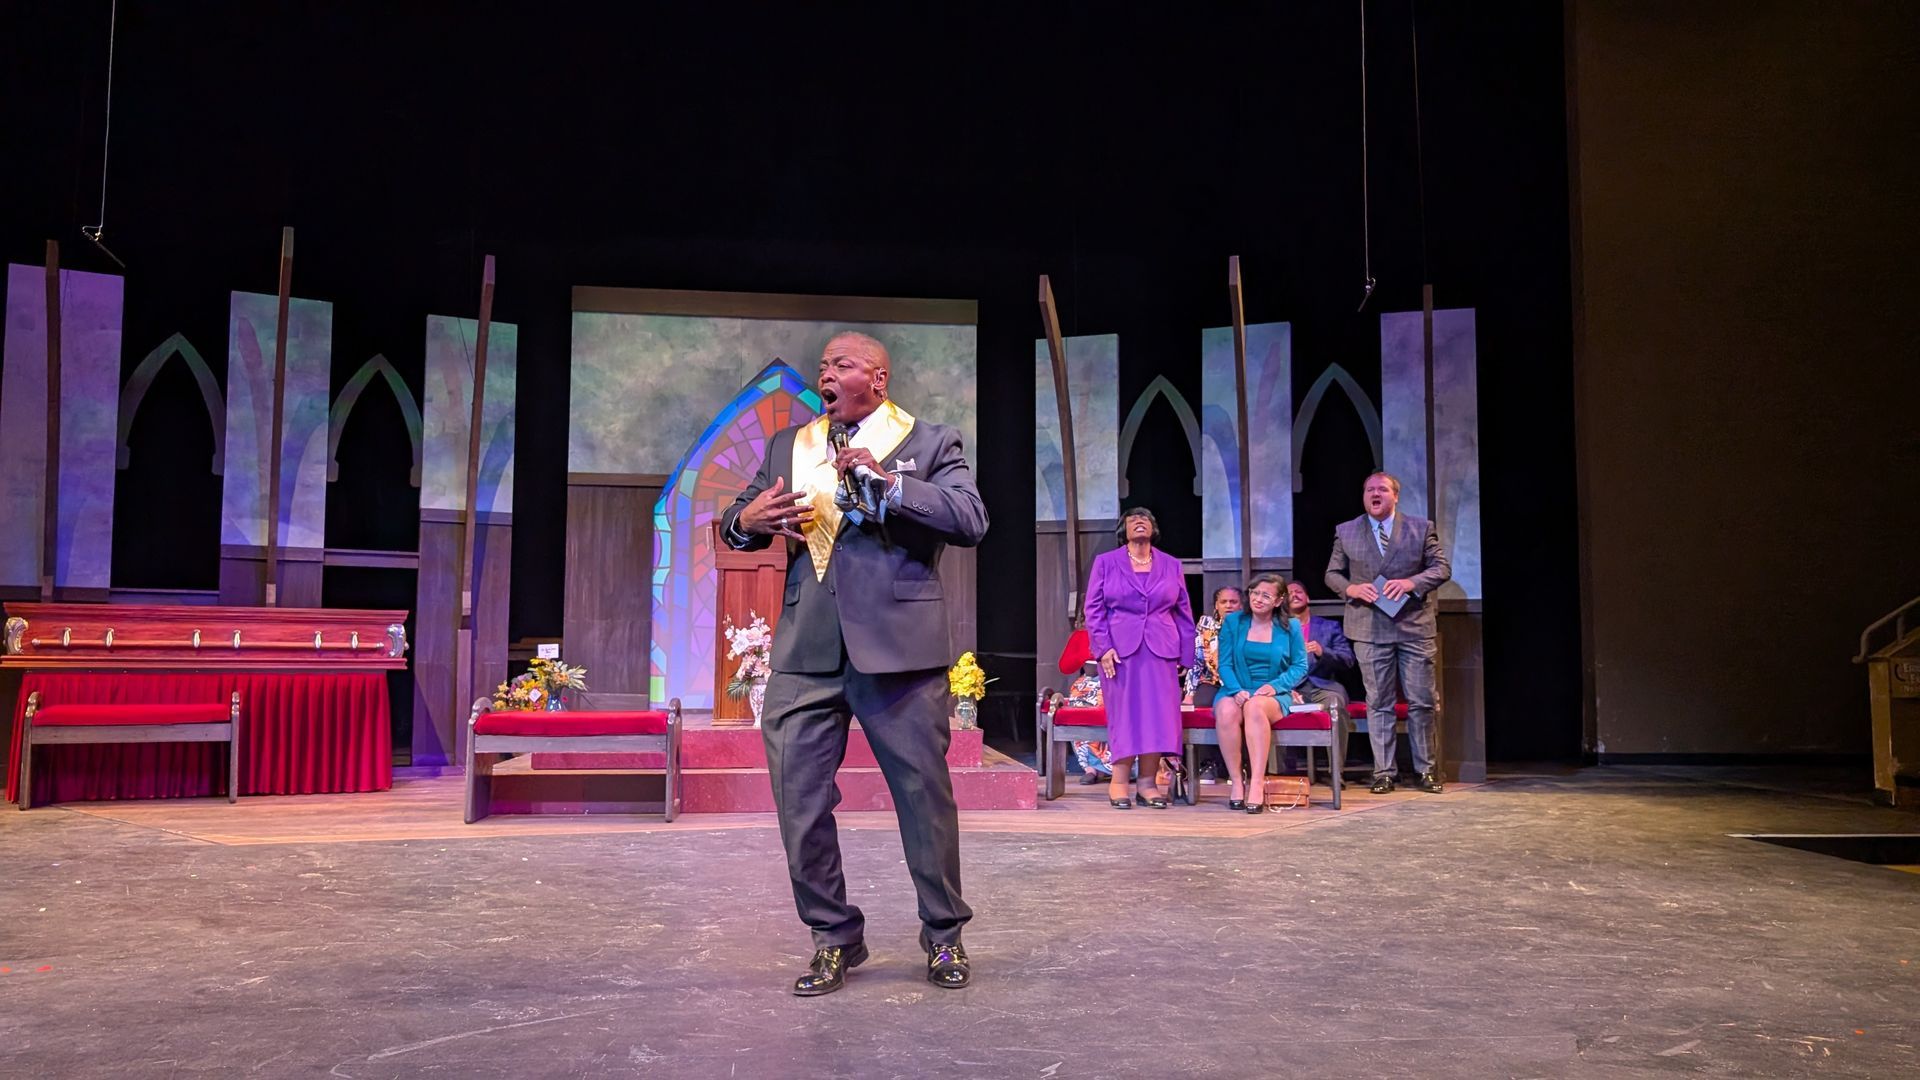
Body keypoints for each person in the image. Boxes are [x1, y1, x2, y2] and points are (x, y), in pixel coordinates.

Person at [720, 331, 987, 996]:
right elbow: (738, 519)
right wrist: (745, 520)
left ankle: (944, 936)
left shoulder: (929, 441)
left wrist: (892, 486)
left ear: (879, 377)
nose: (826, 374)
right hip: (806, 649)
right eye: (823, 367)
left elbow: (970, 517)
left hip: (899, 652)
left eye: (840, 364)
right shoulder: (792, 445)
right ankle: (834, 936)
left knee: (922, 801)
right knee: (799, 803)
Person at [1325, 470, 1451, 795]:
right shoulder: (1347, 530)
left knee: (1422, 701)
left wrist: (1412, 583)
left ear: (1396, 496)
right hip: (1368, 626)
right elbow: (1332, 574)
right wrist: (1352, 589)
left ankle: (1427, 770)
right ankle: (1384, 772)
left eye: (1381, 489)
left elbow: (1441, 568)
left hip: (1413, 626)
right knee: (1378, 702)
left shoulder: (1420, 528)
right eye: (1369, 489)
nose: (1374, 494)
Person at [1083, 507, 1195, 811]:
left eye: (1145, 518)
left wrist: (1186, 653)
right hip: (1119, 651)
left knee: (1159, 717)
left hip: (1162, 649)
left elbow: (1183, 611)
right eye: (1133, 519)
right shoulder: (1106, 563)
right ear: (1124, 530)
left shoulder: (1171, 565)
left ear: (1153, 528)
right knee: (1126, 715)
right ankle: (1119, 781)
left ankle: (1147, 784)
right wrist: (1102, 647)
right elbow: (1093, 609)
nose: (1140, 522)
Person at [1213, 573, 1310, 813]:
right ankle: (1236, 781)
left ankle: (1257, 781)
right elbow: (1224, 663)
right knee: (1226, 710)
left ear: (1278, 601)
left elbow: (1300, 666)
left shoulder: (1291, 626)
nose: (1258, 599)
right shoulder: (1234, 622)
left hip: (1273, 693)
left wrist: (1276, 686)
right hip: (1236, 688)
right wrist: (1235, 690)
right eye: (1254, 593)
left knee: (1255, 706)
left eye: (1265, 595)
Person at [1280, 579, 1360, 779]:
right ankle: (1280, 774)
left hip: (1321, 686)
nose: (1295, 595)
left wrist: (1322, 651)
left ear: (1307, 598)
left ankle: (1336, 773)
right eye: (1289, 593)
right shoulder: (1276, 630)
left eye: (1299, 591)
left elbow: (1348, 660)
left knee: (1336, 705)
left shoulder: (1329, 627)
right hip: (1288, 689)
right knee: (1268, 706)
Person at [1188, 586, 1243, 784]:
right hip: (1211, 680)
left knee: (1239, 706)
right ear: (1216, 607)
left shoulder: (1249, 626)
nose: (1228, 605)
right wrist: (1189, 692)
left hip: (1240, 682)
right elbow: (1197, 661)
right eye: (1224, 602)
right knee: (1201, 703)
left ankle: (1238, 766)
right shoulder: (1206, 626)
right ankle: (1207, 763)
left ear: (1241, 605)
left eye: (1233, 602)